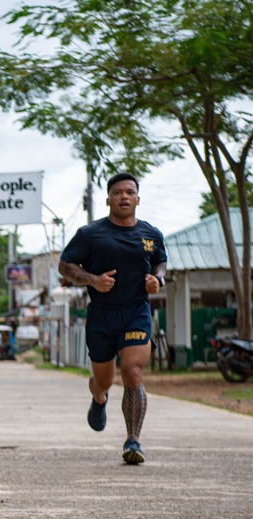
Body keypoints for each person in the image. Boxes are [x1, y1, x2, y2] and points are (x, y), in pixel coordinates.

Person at [58, 172, 167, 464]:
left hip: (136, 312)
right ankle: (99, 398)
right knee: (103, 381)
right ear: (108, 199)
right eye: (117, 192)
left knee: (132, 372)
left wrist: (157, 280)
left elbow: (160, 262)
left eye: (130, 192)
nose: (124, 197)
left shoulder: (151, 234)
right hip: (102, 315)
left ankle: (133, 441)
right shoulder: (90, 234)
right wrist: (93, 280)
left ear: (138, 199)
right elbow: (65, 265)